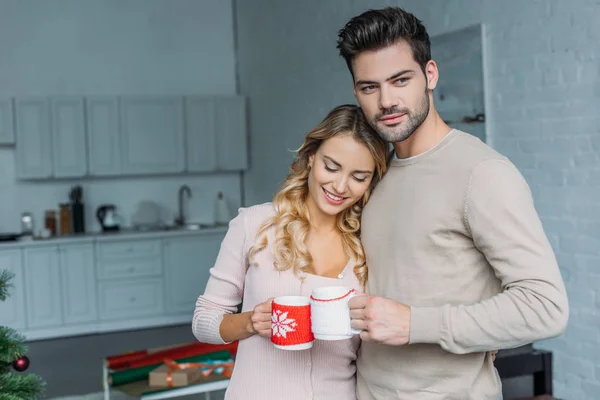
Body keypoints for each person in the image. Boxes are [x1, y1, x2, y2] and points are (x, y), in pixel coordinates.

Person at [337, 7, 569, 400]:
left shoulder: (482, 173)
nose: (387, 100)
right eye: (369, 87)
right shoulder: (374, 175)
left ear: (430, 74)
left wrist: (416, 324)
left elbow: (546, 306)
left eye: (400, 80)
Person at [192, 104, 389, 400]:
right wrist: (250, 322)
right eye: (331, 167)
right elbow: (204, 322)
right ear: (311, 157)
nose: (339, 185)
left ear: (371, 181)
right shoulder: (254, 224)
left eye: (358, 177)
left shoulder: (371, 243)